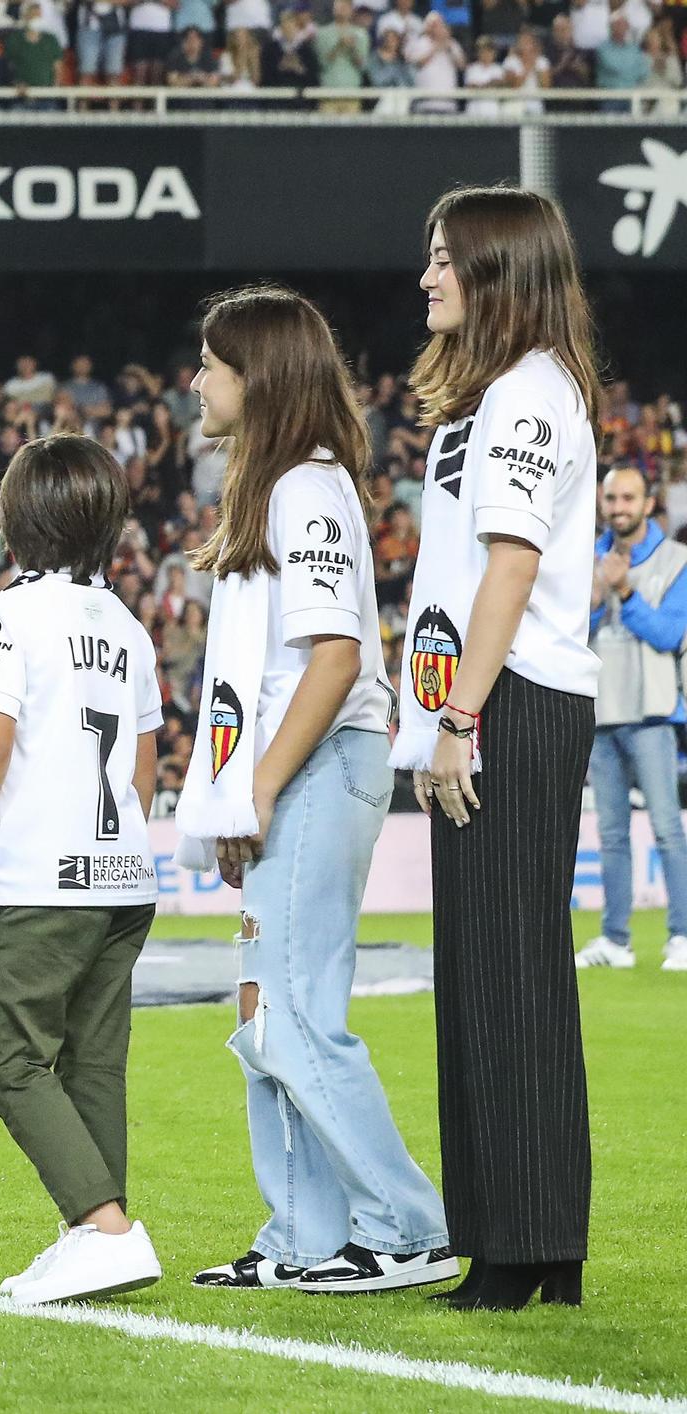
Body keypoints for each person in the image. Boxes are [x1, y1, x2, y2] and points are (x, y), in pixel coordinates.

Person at [175, 287, 454, 1294]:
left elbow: (334, 658)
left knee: (291, 1013)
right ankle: (300, 1232)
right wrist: (233, 792)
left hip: (317, 766)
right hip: (291, 772)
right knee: (264, 1015)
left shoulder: (304, 489)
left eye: (209, 363)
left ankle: (407, 1225)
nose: (195, 381)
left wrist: (249, 787)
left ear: (259, 377)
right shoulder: (279, 488)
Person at [394, 186, 604, 1310]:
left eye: (444, 258)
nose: (426, 276)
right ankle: (529, 1244)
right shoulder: (497, 395)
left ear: (496, 271)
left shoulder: (523, 394)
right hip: (497, 695)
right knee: (493, 973)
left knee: (505, 973)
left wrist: (456, 720)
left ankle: (519, 1250)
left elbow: (510, 568)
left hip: (508, 700)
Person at [0, 434, 164, 1305]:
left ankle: (101, 1227)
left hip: (43, 876)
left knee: (11, 1057)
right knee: (94, 1061)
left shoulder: (6, 616)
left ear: (17, 520)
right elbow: (142, 764)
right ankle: (97, 1235)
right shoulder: (129, 628)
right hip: (121, 874)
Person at [580, 466, 687, 971]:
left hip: (651, 716)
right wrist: (598, 602)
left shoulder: (676, 560)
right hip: (601, 714)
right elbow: (574, 633)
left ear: (649, 504)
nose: (618, 506)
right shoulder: (586, 561)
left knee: (668, 829)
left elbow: (670, 634)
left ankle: (682, 936)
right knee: (612, 835)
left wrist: (624, 593)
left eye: (629, 497)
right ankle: (615, 941)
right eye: (611, 498)